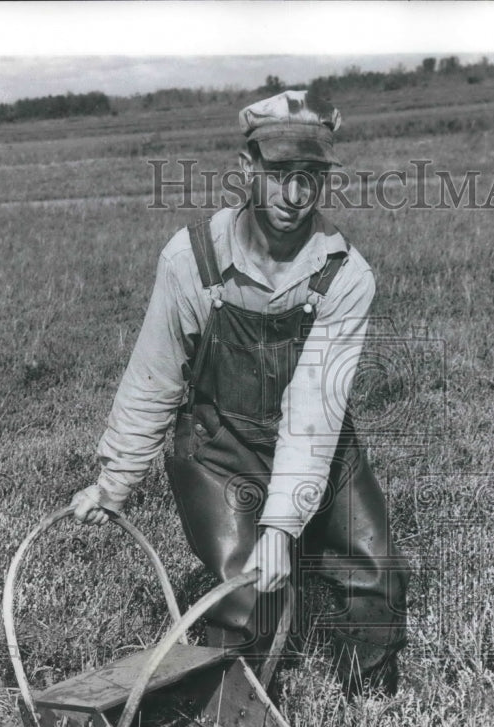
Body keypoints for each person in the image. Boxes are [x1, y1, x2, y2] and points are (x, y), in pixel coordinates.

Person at [73, 90, 409, 695]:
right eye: (280, 174)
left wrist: (282, 524)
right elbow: (153, 379)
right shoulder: (190, 259)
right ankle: (234, 702)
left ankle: (372, 706)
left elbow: (313, 410)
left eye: (311, 177)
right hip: (218, 444)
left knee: (374, 569)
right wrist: (114, 482)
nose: (295, 196)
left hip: (316, 442)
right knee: (248, 592)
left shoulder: (345, 274)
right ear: (246, 168)